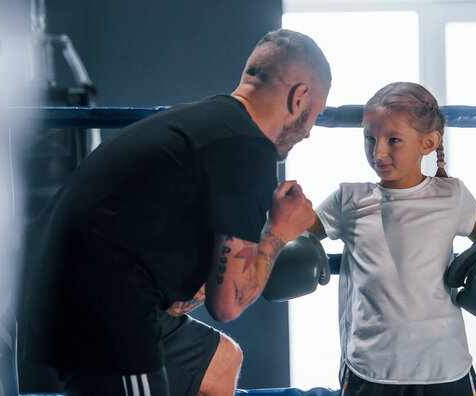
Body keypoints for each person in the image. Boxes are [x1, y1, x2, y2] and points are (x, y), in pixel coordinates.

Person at [18, 28, 331, 396]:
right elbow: (227, 304)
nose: (309, 131)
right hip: (100, 312)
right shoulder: (247, 151)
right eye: (316, 114)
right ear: (299, 97)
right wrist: (278, 232)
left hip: (50, 288)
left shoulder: (207, 121)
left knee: (220, 362)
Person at [308, 82, 476, 396]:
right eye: (369, 138)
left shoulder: (452, 195)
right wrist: (292, 239)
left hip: (445, 366)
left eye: (393, 140)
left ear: (428, 143)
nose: (378, 152)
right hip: (371, 368)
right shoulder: (348, 199)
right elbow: (297, 232)